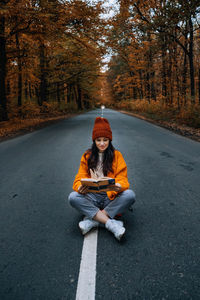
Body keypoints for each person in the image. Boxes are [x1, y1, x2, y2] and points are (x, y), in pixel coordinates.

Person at [68, 116, 136, 241]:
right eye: (98, 140)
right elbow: (80, 177)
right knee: (72, 197)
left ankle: (94, 221)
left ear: (110, 140)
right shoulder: (87, 155)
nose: (102, 143)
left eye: (105, 140)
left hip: (110, 197)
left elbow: (123, 179)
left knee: (130, 195)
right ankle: (111, 224)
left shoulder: (117, 155)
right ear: (94, 140)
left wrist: (118, 186)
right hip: (92, 197)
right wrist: (79, 187)